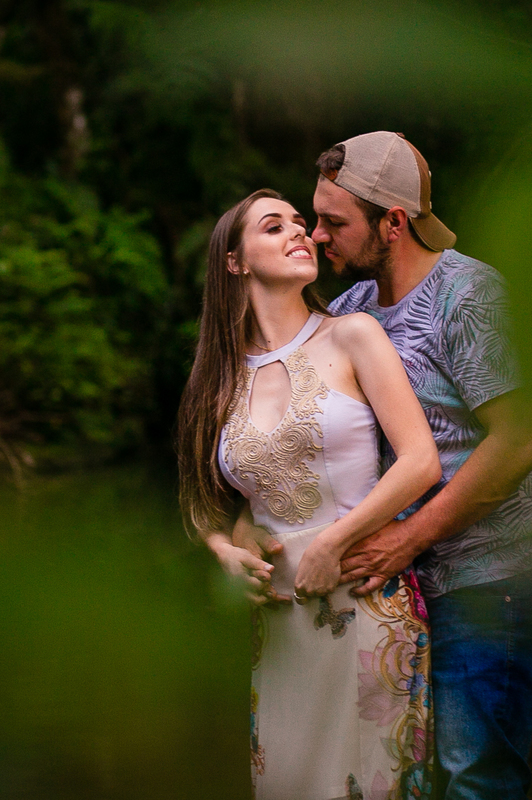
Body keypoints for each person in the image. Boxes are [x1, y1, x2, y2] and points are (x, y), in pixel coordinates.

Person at [242, 132, 532, 799]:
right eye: (315, 218)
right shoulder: (354, 310)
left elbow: (521, 440)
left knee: (476, 777)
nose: (319, 236)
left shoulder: (468, 297)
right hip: (401, 595)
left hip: (491, 578)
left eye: (335, 222)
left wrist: (406, 539)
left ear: (393, 223)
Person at [176, 188, 441, 800]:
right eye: (275, 227)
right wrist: (223, 551)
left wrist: (335, 540)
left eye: (301, 223)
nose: (301, 232)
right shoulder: (218, 380)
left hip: (366, 604)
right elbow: (208, 507)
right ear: (234, 262)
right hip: (280, 628)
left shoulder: (353, 335)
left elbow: (420, 461)